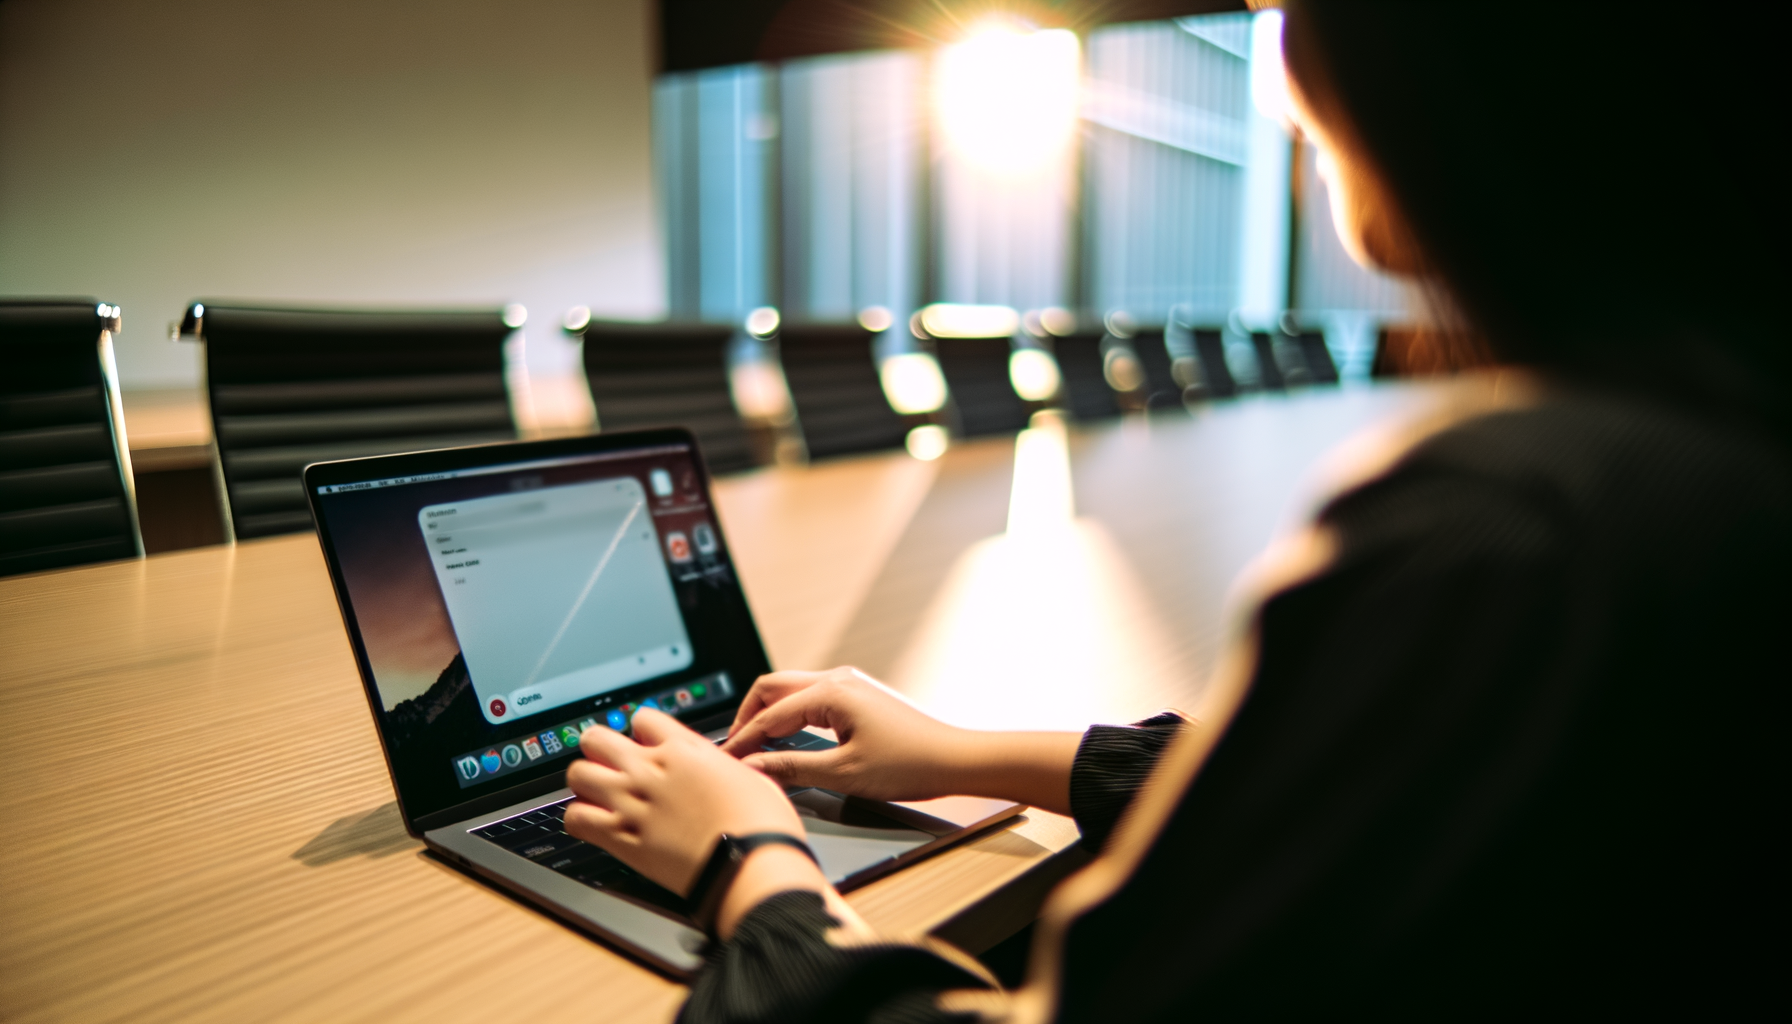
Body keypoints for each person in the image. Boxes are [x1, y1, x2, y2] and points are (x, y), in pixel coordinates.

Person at [563, 3, 1788, 1018]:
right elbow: (1341, 778)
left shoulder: (1505, 535)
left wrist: (753, 865)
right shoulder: (1699, 466)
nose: (1278, 62)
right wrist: (962, 752)